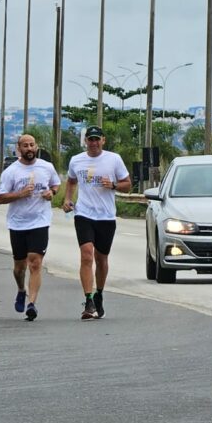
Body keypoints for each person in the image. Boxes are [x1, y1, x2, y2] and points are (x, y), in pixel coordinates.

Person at [63, 125, 131, 319]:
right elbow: (71, 181)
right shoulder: (76, 160)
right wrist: (67, 199)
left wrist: (114, 185)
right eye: (90, 139)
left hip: (106, 216)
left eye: (96, 139)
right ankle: (89, 299)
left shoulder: (114, 159)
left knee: (101, 260)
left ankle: (99, 293)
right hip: (83, 214)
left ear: (103, 140)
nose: (93, 143)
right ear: (85, 141)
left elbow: (127, 185)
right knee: (86, 256)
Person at [0, 133, 61, 322]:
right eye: (25, 145)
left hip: (40, 221)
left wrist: (52, 193)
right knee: (19, 267)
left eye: (32, 145)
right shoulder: (12, 171)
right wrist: (20, 194)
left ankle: (32, 304)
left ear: (36, 146)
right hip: (18, 223)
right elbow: (0, 198)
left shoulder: (46, 167)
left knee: (35, 262)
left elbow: (56, 184)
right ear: (19, 148)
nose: (29, 149)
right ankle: (21, 290)